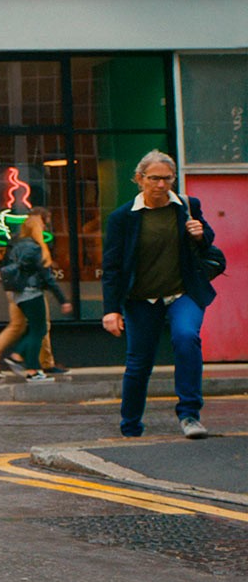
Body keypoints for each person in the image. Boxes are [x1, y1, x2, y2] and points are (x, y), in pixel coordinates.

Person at [101, 151, 218, 438]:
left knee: (186, 337)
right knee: (139, 363)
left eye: (167, 178)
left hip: (183, 293)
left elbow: (207, 244)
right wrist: (111, 309)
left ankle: (189, 415)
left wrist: (200, 233)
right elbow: (113, 266)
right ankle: (130, 425)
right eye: (154, 178)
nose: (161, 185)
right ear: (139, 179)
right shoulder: (122, 218)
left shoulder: (187, 206)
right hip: (142, 300)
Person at [0, 208, 72, 378]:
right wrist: (63, 299)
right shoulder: (36, 247)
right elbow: (46, 276)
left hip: (15, 291)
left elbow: (6, 265)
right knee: (40, 327)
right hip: (31, 290)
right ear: (40, 223)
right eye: (45, 223)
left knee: (19, 326)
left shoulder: (15, 242)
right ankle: (31, 363)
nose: (46, 228)